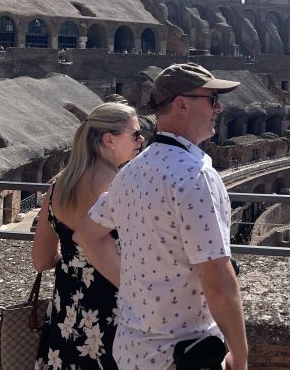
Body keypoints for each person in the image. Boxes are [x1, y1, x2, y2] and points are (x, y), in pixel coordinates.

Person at [75, 63, 248, 370]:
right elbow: (219, 282)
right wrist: (240, 356)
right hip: (183, 355)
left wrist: (129, 284)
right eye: (211, 99)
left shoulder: (131, 171)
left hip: (132, 351)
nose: (218, 107)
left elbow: (87, 235)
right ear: (182, 104)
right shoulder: (196, 177)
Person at [32, 102, 144, 370]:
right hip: (113, 310)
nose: (142, 140)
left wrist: (74, 258)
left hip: (67, 309)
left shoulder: (58, 186)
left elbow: (42, 261)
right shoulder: (120, 186)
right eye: (136, 134)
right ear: (109, 139)